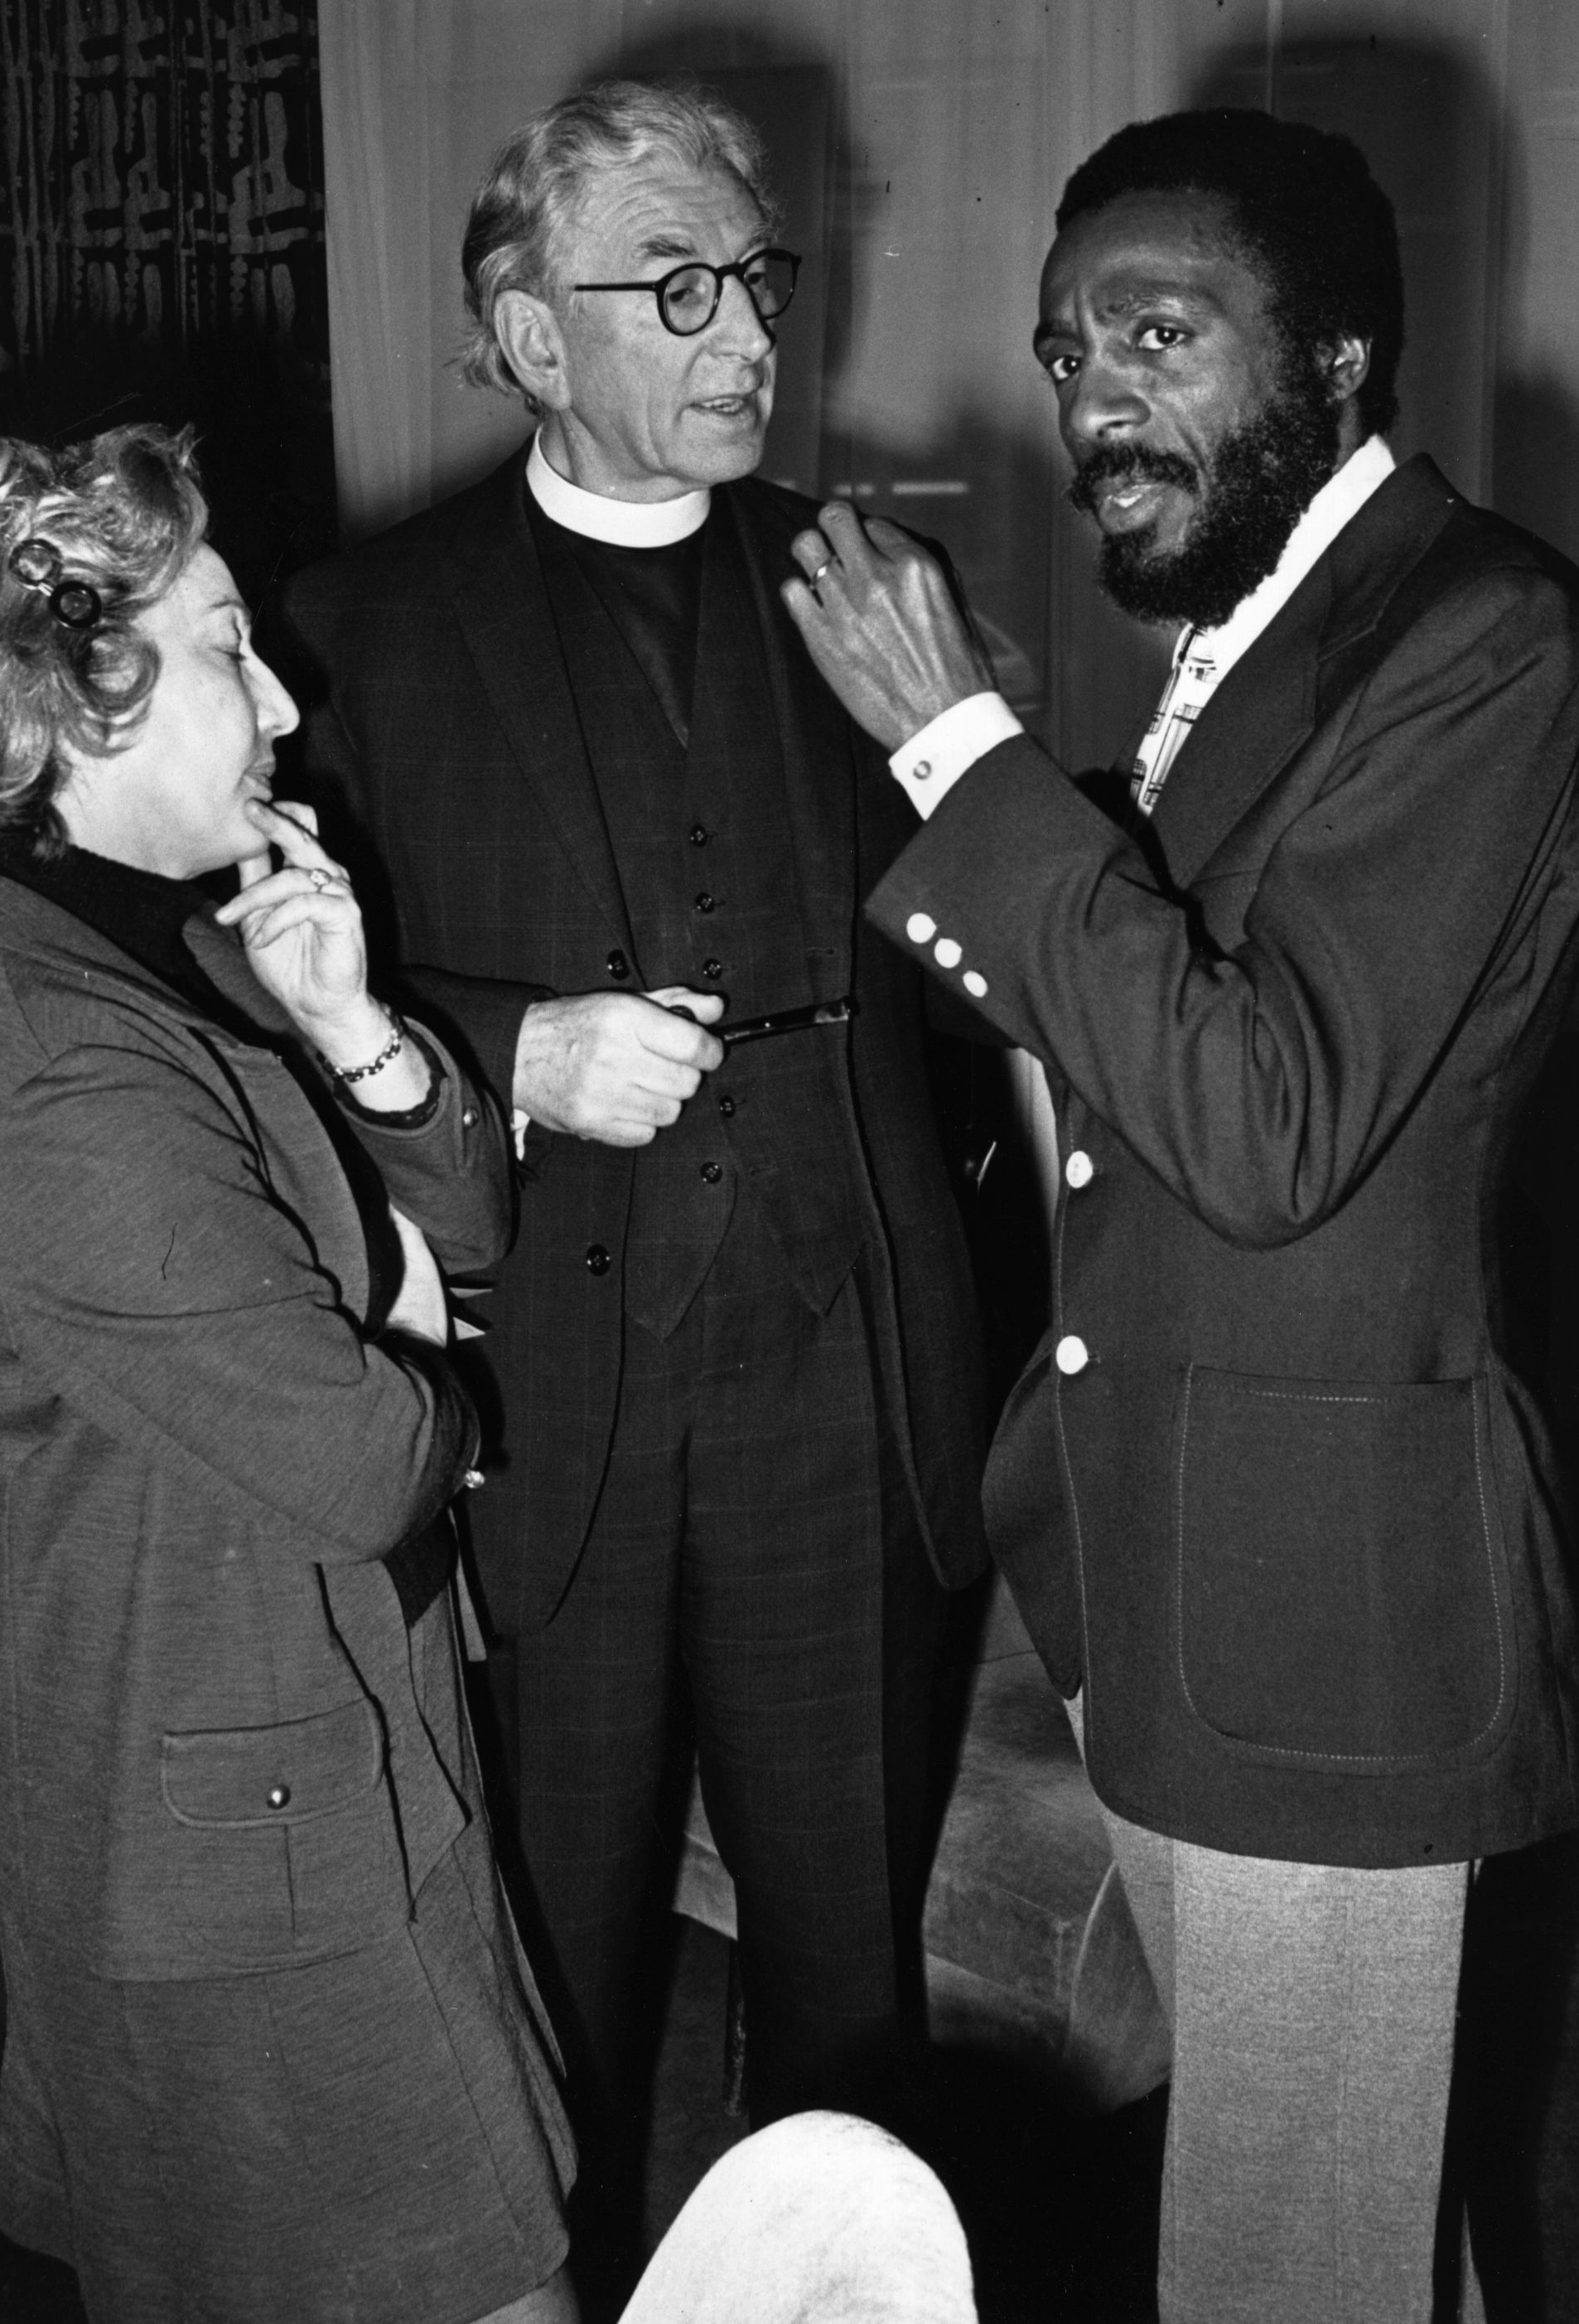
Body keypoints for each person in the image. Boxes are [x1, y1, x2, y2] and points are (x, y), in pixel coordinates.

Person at [779, 108, 1579, 2324]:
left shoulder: (1482, 630)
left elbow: (1263, 1120)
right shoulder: (1264, 634)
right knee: (1334, 2220)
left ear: (1334, 356)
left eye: (1157, 330)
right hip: (1156, 1561)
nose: (1090, 396)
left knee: (1283, 2250)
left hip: (1323, 1616)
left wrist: (965, 758)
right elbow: (1127, 1087)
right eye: (1065, 351)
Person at [279, 79, 987, 2194]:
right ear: (526, 335)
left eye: (757, 276)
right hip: (540, 1416)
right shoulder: (356, 634)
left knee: (851, 1986)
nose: (745, 333)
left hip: (840, 1398)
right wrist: (513, 1047)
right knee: (549, 1977)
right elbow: (266, 1007)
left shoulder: (869, 586)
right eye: (672, 289)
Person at [0, 426, 577, 2324]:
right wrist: (417, 1344)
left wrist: (356, 1030)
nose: (284, 696)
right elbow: (361, 1461)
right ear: (84, 703)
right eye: (235, 644)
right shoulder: (61, 1062)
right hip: (234, 1833)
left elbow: (462, 1229)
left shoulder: (170, 957)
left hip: (295, 1753)